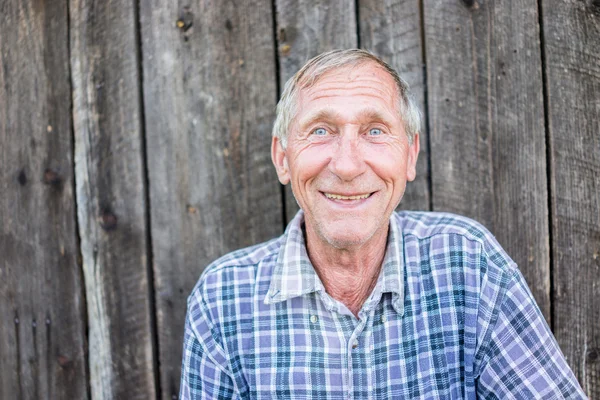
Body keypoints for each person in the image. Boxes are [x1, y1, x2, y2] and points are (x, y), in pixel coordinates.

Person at [180, 49, 586, 399]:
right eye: (320, 130)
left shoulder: (468, 265)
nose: (347, 165)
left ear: (410, 155)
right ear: (283, 158)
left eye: (375, 131)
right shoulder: (221, 300)